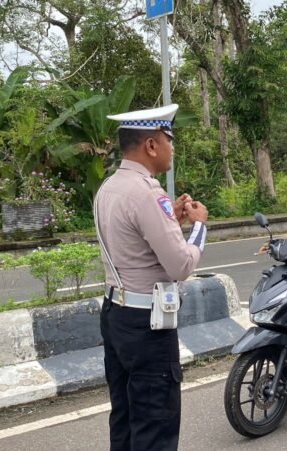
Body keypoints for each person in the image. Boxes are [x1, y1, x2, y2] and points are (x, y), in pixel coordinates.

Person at [94, 104, 209, 450]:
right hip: (148, 326)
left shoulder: (109, 188)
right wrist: (200, 226)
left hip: (116, 315)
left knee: (126, 418)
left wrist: (170, 218)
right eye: (169, 139)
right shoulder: (148, 193)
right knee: (155, 423)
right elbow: (181, 266)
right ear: (151, 145)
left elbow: (133, 238)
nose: (172, 148)